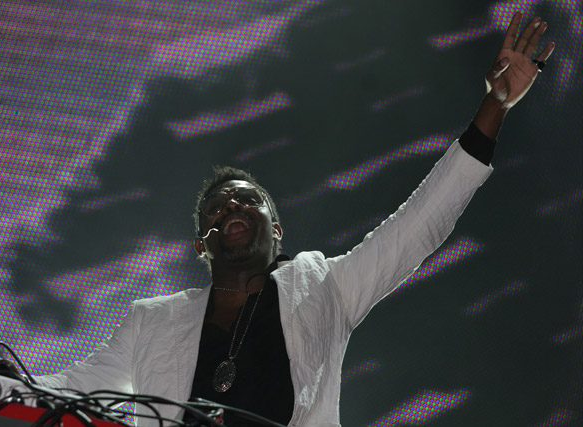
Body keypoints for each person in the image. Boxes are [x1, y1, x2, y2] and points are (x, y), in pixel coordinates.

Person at [35, 13, 554, 426]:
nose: (231, 208)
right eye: (217, 208)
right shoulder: (151, 321)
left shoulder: (327, 287)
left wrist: (495, 107)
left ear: (277, 230)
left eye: (247, 201)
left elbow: (419, 224)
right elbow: (68, 391)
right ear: (200, 245)